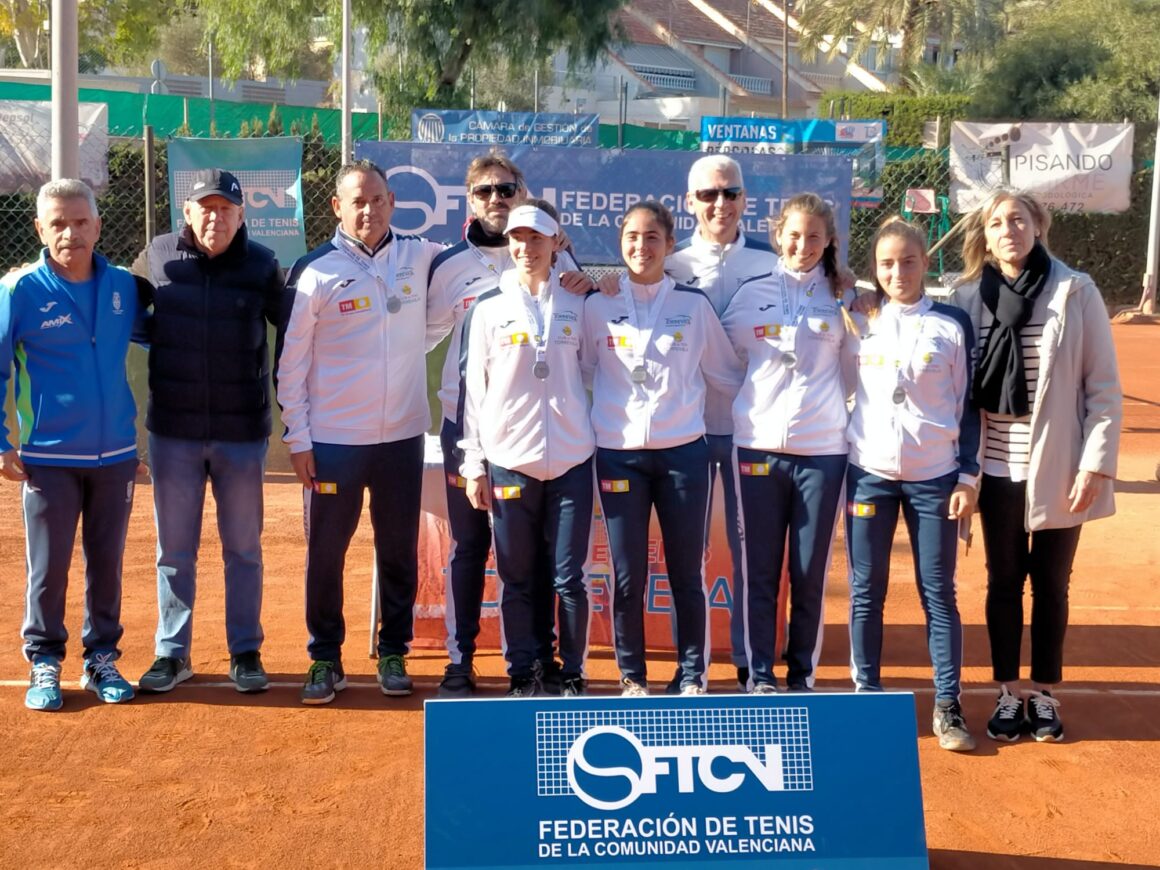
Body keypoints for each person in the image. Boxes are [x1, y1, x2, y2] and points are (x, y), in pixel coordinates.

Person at [951, 190, 1121, 742]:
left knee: (1051, 584)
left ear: (1039, 226)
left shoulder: (1075, 291)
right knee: (1003, 582)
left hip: (1059, 469)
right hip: (996, 472)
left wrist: (1094, 465)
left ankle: (1044, 694)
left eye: (1018, 220)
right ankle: (1006, 692)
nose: (1008, 230)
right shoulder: (969, 295)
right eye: (997, 222)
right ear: (986, 233)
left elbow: (1103, 388)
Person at [277, 160, 449, 705]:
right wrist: (299, 438)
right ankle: (324, 657)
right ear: (337, 208)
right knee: (326, 552)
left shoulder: (421, 256)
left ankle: (393, 649)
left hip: (401, 437)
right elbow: (291, 363)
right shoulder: (315, 270)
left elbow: (482, 259)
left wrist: (561, 251)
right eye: (357, 201)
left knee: (398, 548)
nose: (369, 210)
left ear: (392, 201)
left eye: (377, 199)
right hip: (332, 441)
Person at [427, 151, 588, 697]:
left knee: (542, 558)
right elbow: (414, 334)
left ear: (523, 193)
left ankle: (542, 663)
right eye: (484, 191)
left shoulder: (562, 265)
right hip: (469, 427)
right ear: (469, 201)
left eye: (506, 188)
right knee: (471, 548)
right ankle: (461, 658)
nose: (496, 198)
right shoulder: (447, 265)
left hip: (546, 439)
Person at [132, 169, 285, 695]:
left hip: (242, 433)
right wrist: (167, 342)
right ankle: (173, 653)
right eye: (206, 207)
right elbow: (125, 314)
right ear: (188, 212)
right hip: (172, 430)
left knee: (243, 547)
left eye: (227, 208)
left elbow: (293, 326)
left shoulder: (263, 265)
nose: (215, 217)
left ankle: (245, 650)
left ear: (242, 215)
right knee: (174, 550)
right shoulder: (156, 257)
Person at [582, 201, 742, 696]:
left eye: (652, 237)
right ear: (620, 243)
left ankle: (691, 672)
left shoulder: (693, 306)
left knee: (685, 570)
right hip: (617, 452)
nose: (641, 246)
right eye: (632, 236)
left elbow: (726, 375)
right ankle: (633, 676)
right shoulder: (597, 305)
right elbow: (580, 370)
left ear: (670, 245)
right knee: (627, 572)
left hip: (683, 455)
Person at [0, 179, 147, 711]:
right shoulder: (19, 291)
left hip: (114, 458)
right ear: (40, 228)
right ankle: (44, 658)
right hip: (48, 459)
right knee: (49, 567)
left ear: (97, 226)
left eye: (81, 222)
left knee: (106, 564)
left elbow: (163, 338)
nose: (70, 233)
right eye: (58, 223)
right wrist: (1, 443)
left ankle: (101, 657)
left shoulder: (125, 287)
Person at [843, 218, 980, 751]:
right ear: (875, 270)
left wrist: (968, 476)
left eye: (907, 261)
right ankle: (866, 694)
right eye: (886, 263)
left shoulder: (952, 323)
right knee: (865, 590)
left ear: (926, 264)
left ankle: (947, 704)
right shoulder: (860, 317)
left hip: (935, 477)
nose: (897, 271)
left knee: (938, 592)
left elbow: (970, 408)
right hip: (869, 474)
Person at [720, 193, 854, 694]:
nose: (803, 245)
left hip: (823, 453)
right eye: (794, 235)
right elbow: (722, 357)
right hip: (756, 448)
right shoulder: (751, 293)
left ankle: (802, 676)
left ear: (828, 241)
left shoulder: (843, 297)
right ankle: (759, 676)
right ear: (778, 235)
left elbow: (859, 368)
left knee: (808, 573)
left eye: (814, 236)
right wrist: (751, 405)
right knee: (758, 572)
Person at [664, 154, 779, 691]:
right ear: (688, 202)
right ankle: (691, 668)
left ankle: (752, 664)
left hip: (751, 430)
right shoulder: (670, 263)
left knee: (748, 551)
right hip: (682, 430)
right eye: (708, 195)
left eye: (729, 193)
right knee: (688, 555)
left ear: (745, 199)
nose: (720, 204)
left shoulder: (775, 261)